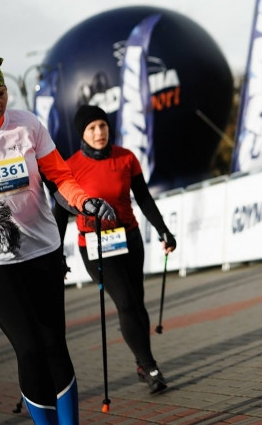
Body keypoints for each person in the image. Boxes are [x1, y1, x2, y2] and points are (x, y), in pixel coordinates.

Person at [0, 52, 117, 425]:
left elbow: (60, 177)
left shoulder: (27, 125)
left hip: (41, 250)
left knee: (54, 345)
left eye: (1, 93)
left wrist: (85, 203)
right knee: (29, 348)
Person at [54, 104, 177, 394]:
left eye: (103, 126)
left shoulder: (126, 158)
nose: (99, 133)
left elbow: (144, 199)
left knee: (137, 301)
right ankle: (150, 366)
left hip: (129, 238)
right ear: (82, 134)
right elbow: (60, 215)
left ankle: (141, 362)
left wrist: (163, 229)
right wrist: (57, 254)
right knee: (124, 302)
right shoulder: (69, 167)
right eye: (92, 128)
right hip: (95, 246)